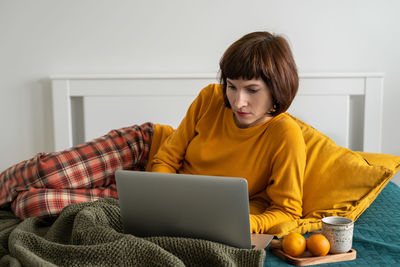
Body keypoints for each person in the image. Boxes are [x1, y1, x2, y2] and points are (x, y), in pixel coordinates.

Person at [0, 31, 305, 234]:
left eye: (252, 90)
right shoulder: (211, 97)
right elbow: (167, 156)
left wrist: (247, 224)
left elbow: (288, 211)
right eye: (233, 87)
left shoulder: (284, 135)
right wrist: (162, 192)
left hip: (170, 203)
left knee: (34, 205)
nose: (238, 101)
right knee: (48, 172)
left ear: (277, 88)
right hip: (145, 149)